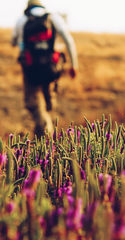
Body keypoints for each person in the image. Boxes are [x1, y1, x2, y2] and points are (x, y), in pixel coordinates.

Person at [11, 0, 79, 137]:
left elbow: (14, 41)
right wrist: (74, 65)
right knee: (48, 102)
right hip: (51, 68)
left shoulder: (22, 20)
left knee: (33, 104)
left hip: (30, 69)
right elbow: (68, 40)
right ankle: (45, 126)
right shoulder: (53, 17)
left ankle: (44, 133)